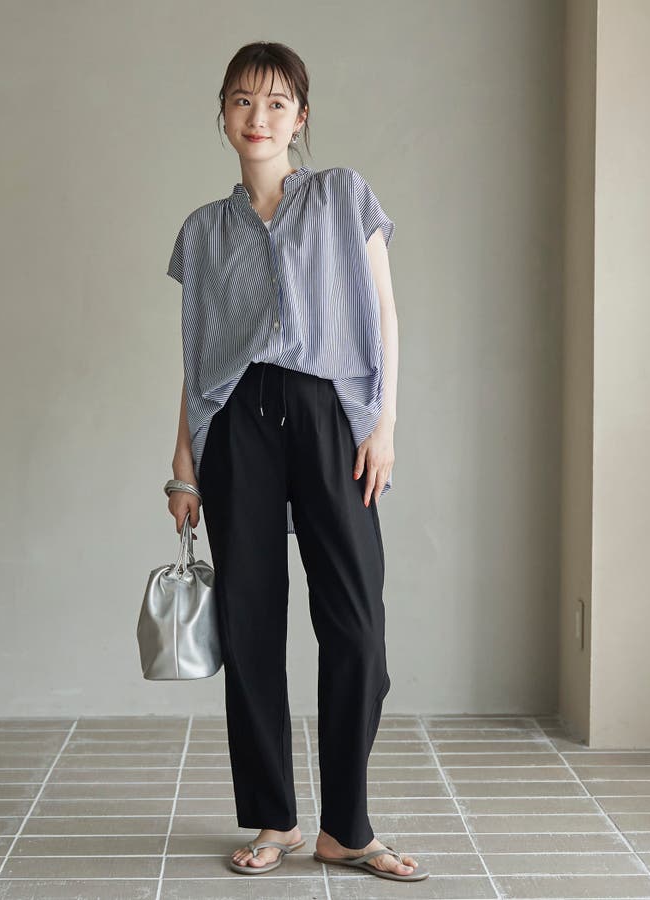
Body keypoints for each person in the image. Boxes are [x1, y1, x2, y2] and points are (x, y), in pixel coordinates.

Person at [164, 41, 427, 883]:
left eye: (277, 103)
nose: (259, 117)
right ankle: (274, 817)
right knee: (250, 623)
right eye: (243, 101)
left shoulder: (343, 195)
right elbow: (200, 360)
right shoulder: (204, 232)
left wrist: (382, 424)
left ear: (300, 117)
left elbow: (385, 313)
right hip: (238, 424)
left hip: (329, 417)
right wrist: (183, 466)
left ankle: (346, 827)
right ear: (223, 114)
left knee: (357, 627)